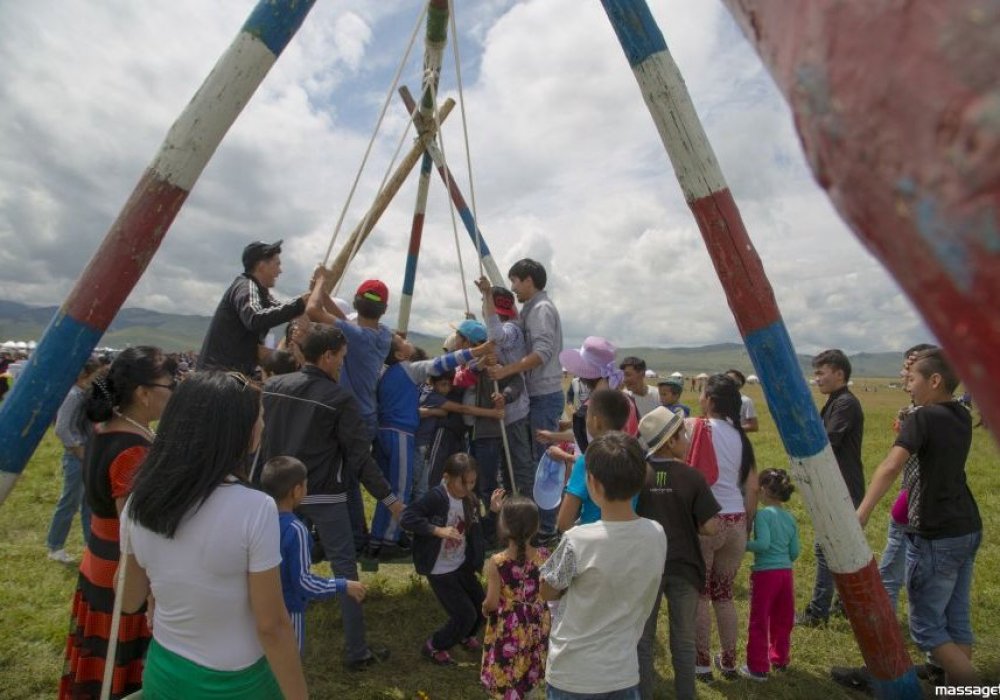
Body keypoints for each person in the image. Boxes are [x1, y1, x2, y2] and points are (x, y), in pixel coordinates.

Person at [120, 372, 306, 699]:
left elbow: (128, 597)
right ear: (241, 432)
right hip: (236, 684)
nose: (263, 425)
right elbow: (272, 625)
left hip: (164, 672)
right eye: (260, 417)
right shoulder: (255, 508)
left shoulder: (139, 500)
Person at [258, 323, 401, 671]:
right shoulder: (339, 399)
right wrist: (389, 498)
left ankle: (269, 642)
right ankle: (356, 651)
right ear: (326, 356)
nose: (342, 364)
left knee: (271, 567)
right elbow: (358, 456)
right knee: (345, 570)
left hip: (275, 495)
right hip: (324, 496)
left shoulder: (274, 387)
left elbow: (261, 444)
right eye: (341, 357)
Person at [858, 348, 982, 684]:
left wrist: (863, 512)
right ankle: (955, 689)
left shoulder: (922, 418)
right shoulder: (961, 414)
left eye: (913, 379)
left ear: (936, 380)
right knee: (956, 620)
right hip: (966, 526)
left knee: (926, 629)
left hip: (935, 532)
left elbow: (891, 465)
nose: (908, 385)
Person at [60, 346, 176, 699]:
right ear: (143, 393)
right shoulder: (132, 450)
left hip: (100, 561)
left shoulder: (106, 429)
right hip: (121, 576)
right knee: (117, 671)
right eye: (169, 384)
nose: (173, 392)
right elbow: (134, 531)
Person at [540, 432, 667, 699]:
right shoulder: (656, 534)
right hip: (623, 670)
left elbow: (548, 590)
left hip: (573, 673)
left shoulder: (578, 539)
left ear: (593, 484)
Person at [370, 328, 496, 558]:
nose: (407, 340)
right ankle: (388, 542)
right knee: (400, 489)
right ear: (399, 355)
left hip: (382, 433)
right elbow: (441, 363)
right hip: (400, 433)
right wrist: (477, 351)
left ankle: (379, 537)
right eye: (402, 341)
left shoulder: (382, 370)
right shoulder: (408, 370)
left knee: (388, 490)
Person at [636, 407, 721, 700]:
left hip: (645, 569)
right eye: (682, 434)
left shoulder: (637, 474)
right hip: (684, 567)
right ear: (670, 441)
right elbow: (710, 527)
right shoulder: (692, 477)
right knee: (683, 639)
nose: (686, 439)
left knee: (643, 639)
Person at [307, 275, 394, 554]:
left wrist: (321, 282)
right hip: (367, 415)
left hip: (348, 416)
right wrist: (324, 292)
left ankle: (354, 536)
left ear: (357, 302)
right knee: (351, 477)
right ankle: (354, 534)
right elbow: (342, 316)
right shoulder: (383, 335)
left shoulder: (355, 335)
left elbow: (312, 311)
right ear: (384, 310)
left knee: (344, 480)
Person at [688, 373, 758, 682]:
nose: (699, 398)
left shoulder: (695, 427)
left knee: (700, 593)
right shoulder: (742, 437)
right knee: (725, 594)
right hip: (737, 520)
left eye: (702, 393)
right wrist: (747, 524)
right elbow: (752, 488)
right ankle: (729, 661)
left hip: (706, 521)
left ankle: (701, 663)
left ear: (711, 400)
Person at [488, 259, 564, 542]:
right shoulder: (530, 309)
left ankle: (545, 529)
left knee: (542, 463)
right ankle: (542, 525)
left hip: (544, 393)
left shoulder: (541, 310)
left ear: (529, 280)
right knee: (534, 460)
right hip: (538, 393)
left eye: (515, 281)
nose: (514, 288)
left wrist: (506, 370)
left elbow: (542, 352)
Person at [259, 455, 367, 654]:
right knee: (288, 666)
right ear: (297, 491)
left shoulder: (258, 522)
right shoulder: (295, 529)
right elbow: (304, 582)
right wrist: (343, 585)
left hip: (259, 611)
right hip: (288, 615)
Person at [401, 453, 488, 666]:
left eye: (472, 482)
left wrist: (493, 511)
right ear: (447, 477)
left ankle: (465, 636)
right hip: (440, 569)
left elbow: (478, 530)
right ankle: (435, 646)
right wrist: (436, 530)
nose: (468, 487)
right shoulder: (436, 497)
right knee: (464, 614)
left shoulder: (471, 500)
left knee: (482, 606)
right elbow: (407, 517)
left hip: (462, 565)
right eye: (463, 482)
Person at [799, 349, 865, 627]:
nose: (817, 379)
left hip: (843, 488)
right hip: (839, 486)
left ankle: (818, 611)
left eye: (821, 373)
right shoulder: (837, 401)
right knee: (842, 549)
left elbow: (827, 441)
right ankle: (846, 605)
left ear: (839, 373)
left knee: (826, 548)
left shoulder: (845, 404)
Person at [198, 240, 308, 375]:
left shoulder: (261, 294)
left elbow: (283, 309)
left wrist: (302, 307)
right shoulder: (246, 286)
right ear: (262, 266)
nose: (280, 271)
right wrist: (299, 304)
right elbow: (255, 318)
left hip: (227, 375)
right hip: (216, 378)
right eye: (277, 264)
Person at [481, 495, 551, 699]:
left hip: (509, 628)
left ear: (503, 525)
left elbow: (492, 602)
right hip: (537, 623)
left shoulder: (498, 562)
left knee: (509, 668)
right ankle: (529, 689)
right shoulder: (545, 555)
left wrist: (485, 607)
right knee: (531, 663)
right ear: (536, 526)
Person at [476, 277, 535, 504]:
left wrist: (487, 294)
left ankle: (527, 510)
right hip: (502, 412)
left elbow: (497, 336)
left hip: (514, 410)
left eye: (486, 304)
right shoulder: (506, 327)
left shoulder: (511, 330)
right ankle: (513, 509)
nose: (484, 308)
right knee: (506, 467)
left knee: (519, 465)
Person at [742, 468, 800, 681]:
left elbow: (763, 544)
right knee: (783, 618)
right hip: (786, 574)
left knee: (760, 619)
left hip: (766, 575)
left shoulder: (763, 515)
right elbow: (795, 552)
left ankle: (757, 667)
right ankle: (780, 658)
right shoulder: (790, 518)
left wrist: (744, 545)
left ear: (765, 490)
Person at [45, 358, 101, 563]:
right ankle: (55, 545)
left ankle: (90, 544)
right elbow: (61, 427)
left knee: (88, 503)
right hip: (78, 456)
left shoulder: (83, 395)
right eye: (95, 375)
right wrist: (77, 448)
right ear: (83, 375)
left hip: (86, 454)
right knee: (69, 501)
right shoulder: (73, 396)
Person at [556, 388, 633, 533]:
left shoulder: (587, 461)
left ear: (596, 421)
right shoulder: (636, 458)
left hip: (593, 543)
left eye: (587, 416)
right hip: (630, 538)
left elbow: (564, 522)